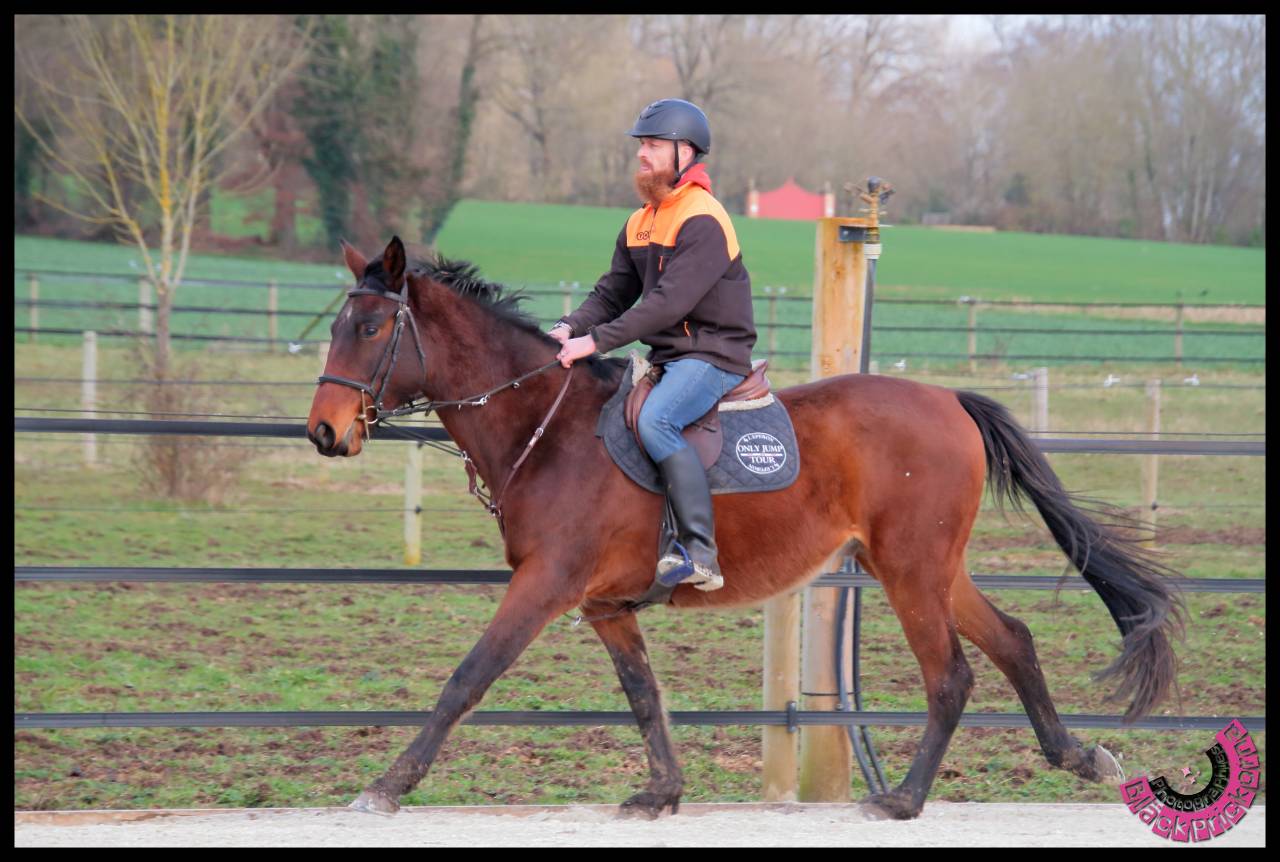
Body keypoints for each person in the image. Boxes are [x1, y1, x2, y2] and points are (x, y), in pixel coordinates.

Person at [550, 98, 756, 592]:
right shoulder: (641, 220)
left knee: (655, 420)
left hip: (713, 354)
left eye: (654, 146)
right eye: (641, 145)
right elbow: (612, 294)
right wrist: (567, 328)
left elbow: (667, 304)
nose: (642, 154)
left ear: (686, 153)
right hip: (670, 357)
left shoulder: (703, 219)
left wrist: (595, 342)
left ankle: (699, 550)